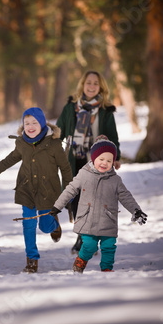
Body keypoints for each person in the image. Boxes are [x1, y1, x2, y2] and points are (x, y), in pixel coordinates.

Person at [0, 107, 73, 273]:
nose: (30, 126)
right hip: (27, 189)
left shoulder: (53, 145)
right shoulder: (21, 143)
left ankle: (54, 225)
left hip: (48, 191)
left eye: (34, 123)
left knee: (45, 227)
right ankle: (32, 259)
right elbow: (10, 159)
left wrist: (68, 190)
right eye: (27, 123)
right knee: (28, 225)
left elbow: (66, 168)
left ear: (42, 124)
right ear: (23, 125)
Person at [49, 136, 147, 272]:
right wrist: (57, 207)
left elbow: (126, 196)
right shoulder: (84, 174)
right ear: (93, 159)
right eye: (101, 159)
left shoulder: (115, 180)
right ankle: (81, 260)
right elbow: (70, 190)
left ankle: (107, 269)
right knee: (90, 245)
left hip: (108, 220)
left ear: (113, 162)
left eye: (109, 160)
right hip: (88, 220)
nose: (104, 163)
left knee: (109, 246)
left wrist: (136, 210)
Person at [56, 70, 122, 254]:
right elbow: (59, 130)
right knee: (75, 199)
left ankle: (85, 239)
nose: (91, 86)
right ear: (82, 85)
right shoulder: (70, 108)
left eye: (95, 83)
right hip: (74, 160)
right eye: (88, 83)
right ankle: (83, 236)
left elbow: (113, 135)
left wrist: (116, 156)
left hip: (96, 161)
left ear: (100, 86)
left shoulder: (105, 110)